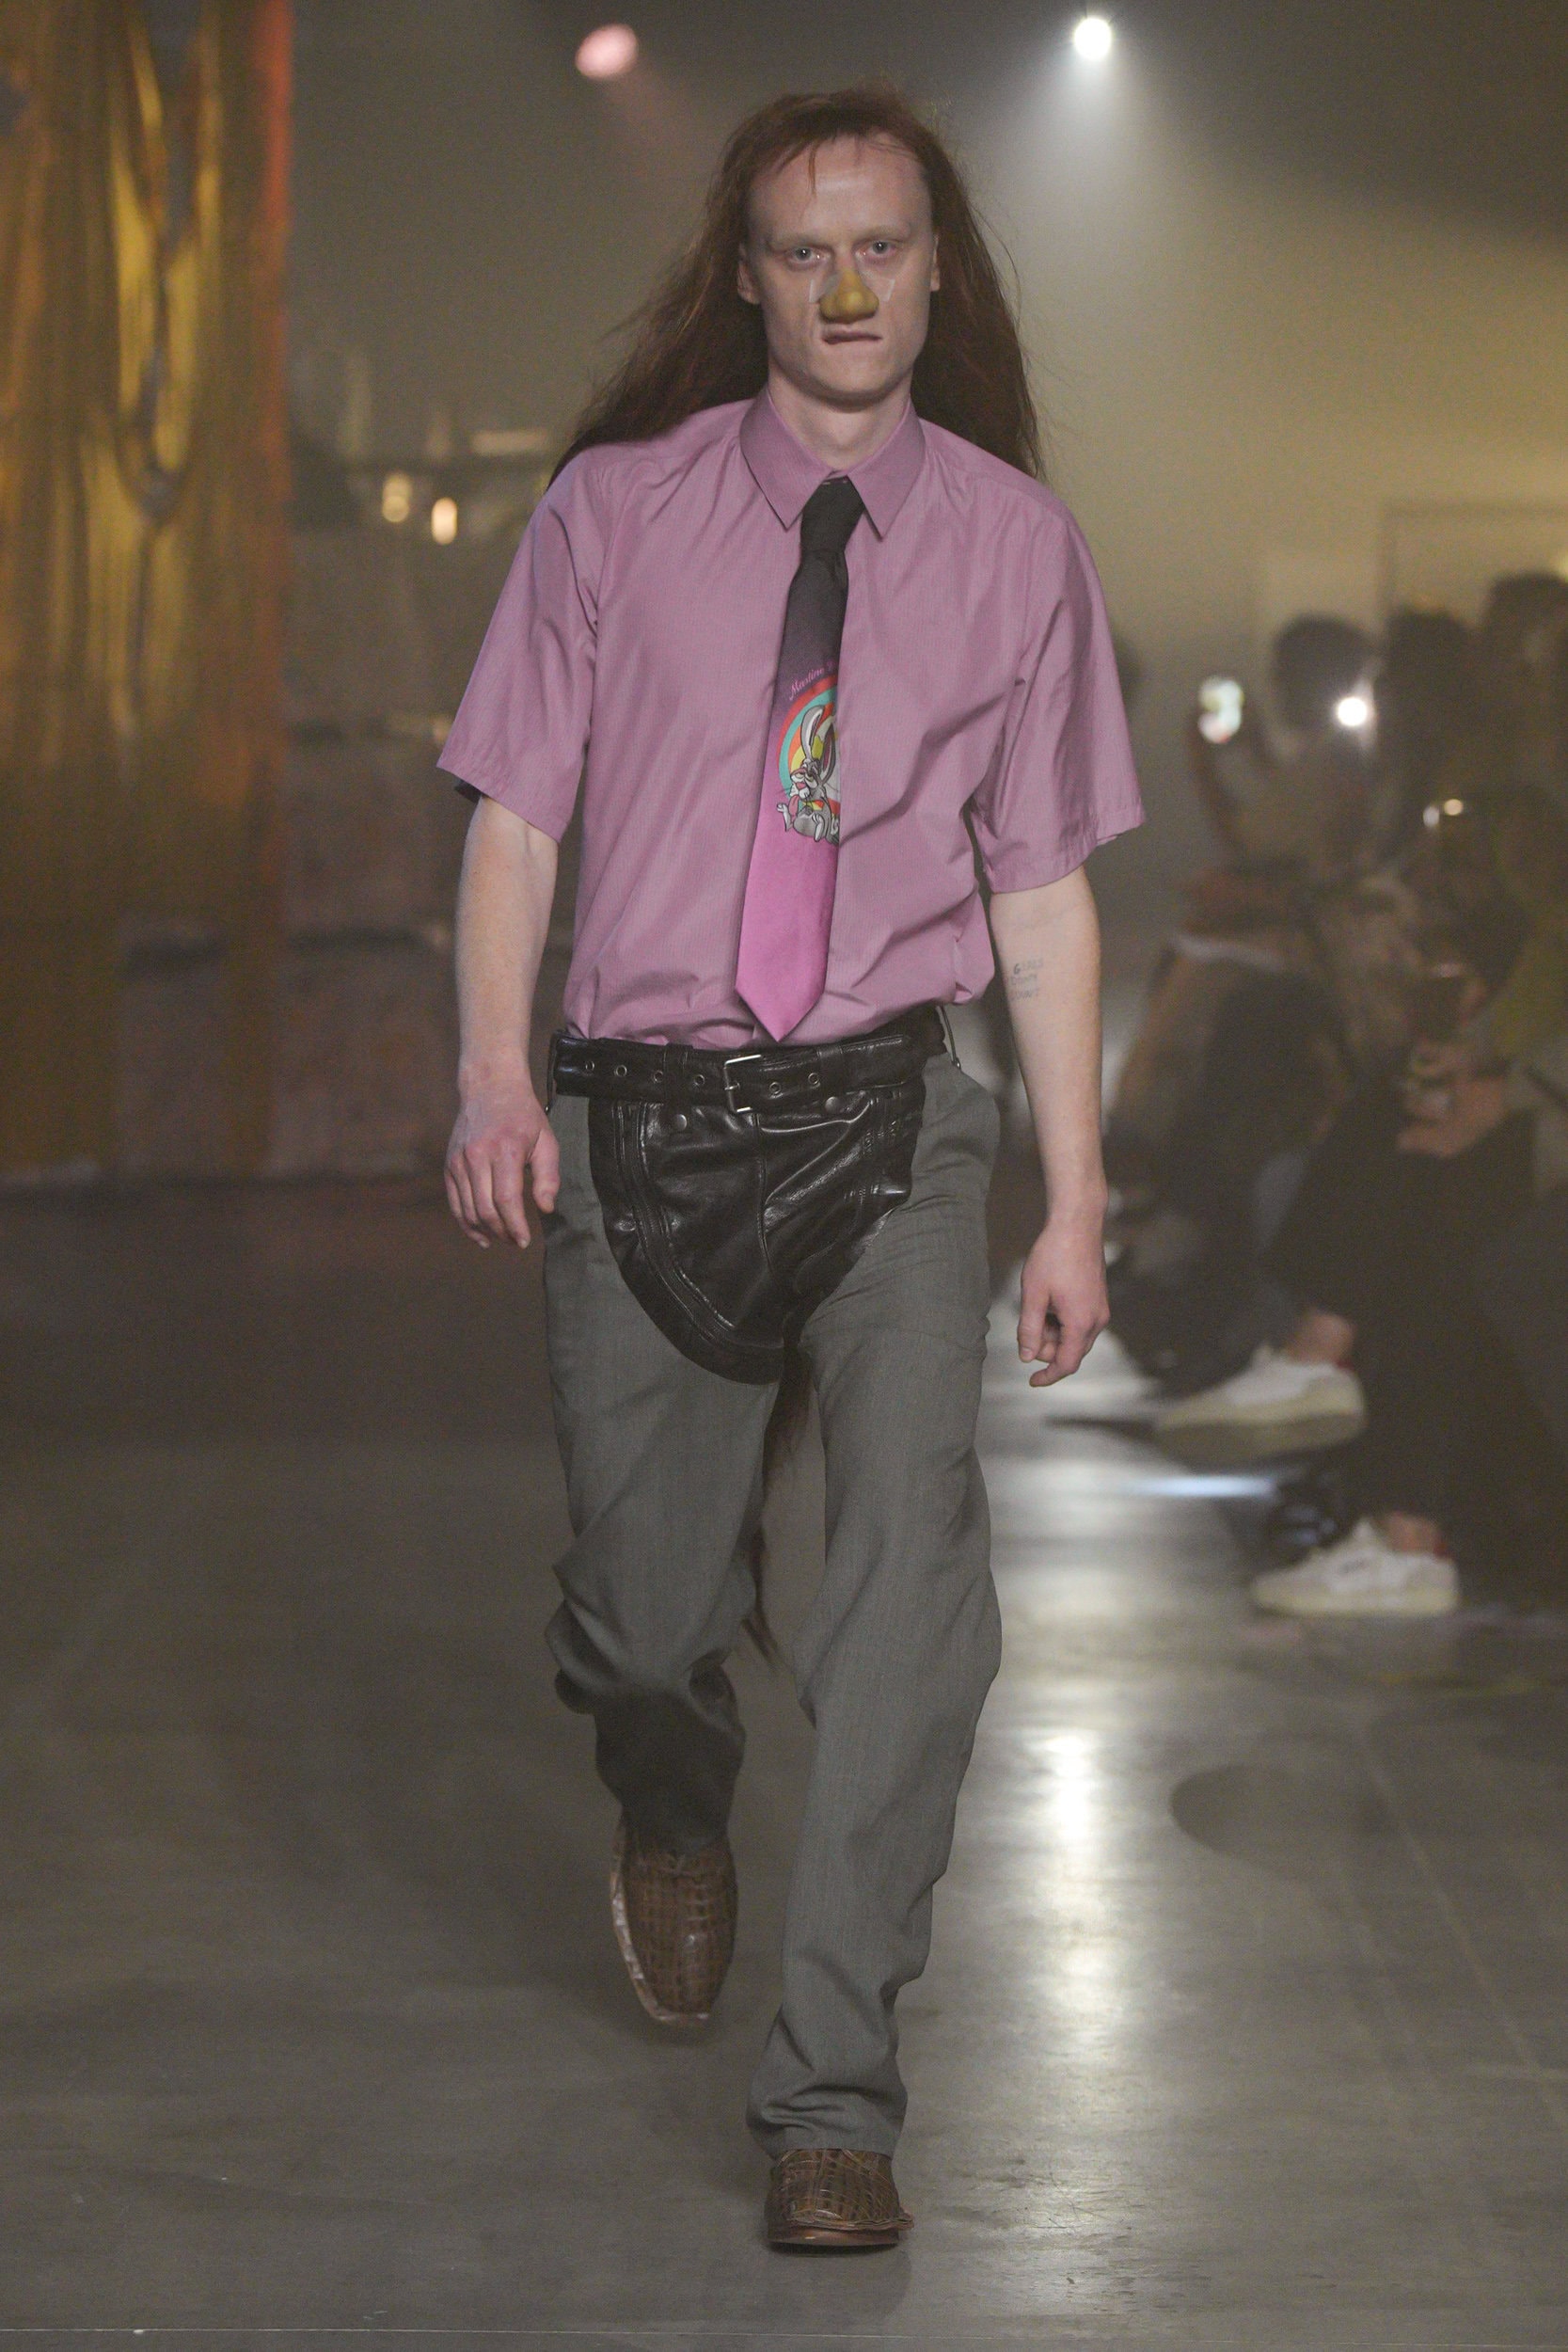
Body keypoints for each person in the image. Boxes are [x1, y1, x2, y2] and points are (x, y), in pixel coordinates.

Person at [435, 87, 1141, 2249]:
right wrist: (491, 1076)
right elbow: (516, 820)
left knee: (912, 1600)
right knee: (649, 1627)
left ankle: (834, 2095)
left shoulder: (1017, 548)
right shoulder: (612, 516)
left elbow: (1042, 893)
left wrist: (1075, 1194)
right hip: (642, 1114)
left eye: (883, 246)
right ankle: (670, 1790)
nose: (846, 287)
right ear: (743, 278)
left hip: (891, 1123)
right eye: (804, 249)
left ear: (937, 273)